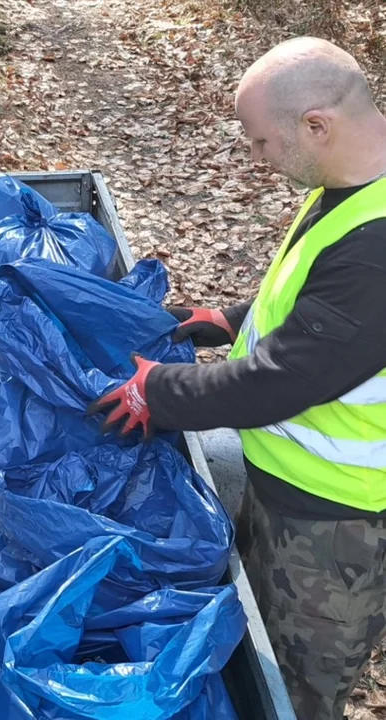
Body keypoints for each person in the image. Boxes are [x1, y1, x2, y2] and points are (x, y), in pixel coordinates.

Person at [89, 36, 386, 720]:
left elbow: (279, 381)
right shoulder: (354, 186)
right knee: (257, 639)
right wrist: (225, 319)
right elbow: (321, 306)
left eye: (260, 143)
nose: (257, 160)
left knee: (293, 685)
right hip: (297, 487)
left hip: (338, 521)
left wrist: (154, 391)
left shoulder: (378, 247)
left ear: (316, 124)